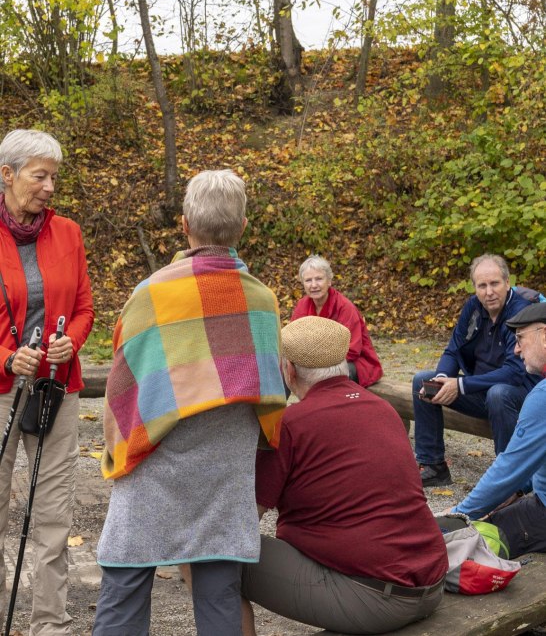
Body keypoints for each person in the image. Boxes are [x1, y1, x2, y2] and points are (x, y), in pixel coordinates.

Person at [93, 169, 286, 636]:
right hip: (222, 473)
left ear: (184, 225)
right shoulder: (263, 302)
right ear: (242, 227)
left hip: (152, 466)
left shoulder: (151, 296)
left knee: (123, 583)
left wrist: (122, 447)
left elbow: (124, 387)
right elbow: (272, 400)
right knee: (219, 592)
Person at [241, 316, 448, 636]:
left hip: (373, 599)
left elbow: (242, 523)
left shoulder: (289, 425)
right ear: (342, 365)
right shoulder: (383, 409)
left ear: (289, 370)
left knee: (210, 556)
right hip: (432, 586)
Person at [0, 128, 94, 635]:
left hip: (57, 386)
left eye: (54, 177)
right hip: (0, 389)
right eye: (41, 176)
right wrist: (7, 357)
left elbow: (84, 308)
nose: (50, 186)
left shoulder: (69, 233)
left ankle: (49, 627)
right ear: (8, 175)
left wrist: (71, 343)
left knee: (54, 516)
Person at [412, 254, 540, 487]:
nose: (489, 291)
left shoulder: (520, 313)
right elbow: (453, 350)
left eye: (495, 284)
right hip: (480, 391)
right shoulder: (473, 308)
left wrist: (460, 385)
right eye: (482, 285)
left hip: (519, 396)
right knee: (423, 381)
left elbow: (515, 371)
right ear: (475, 288)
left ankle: (512, 481)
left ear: (508, 283)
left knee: (499, 393)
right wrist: (442, 380)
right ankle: (433, 465)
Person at [449, 302, 546, 558]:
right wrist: (518, 489)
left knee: (473, 540)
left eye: (520, 339)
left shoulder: (543, 396)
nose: (515, 349)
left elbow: (509, 468)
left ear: (544, 337)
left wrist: (456, 517)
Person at [291, 254, 383, 386]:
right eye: (308, 280)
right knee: (285, 369)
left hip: (353, 363)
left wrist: (315, 362)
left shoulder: (345, 307)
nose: (314, 285)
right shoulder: (302, 305)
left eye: (319, 279)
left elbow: (352, 350)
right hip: (315, 362)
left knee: (324, 377)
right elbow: (294, 340)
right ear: (303, 284)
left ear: (329, 281)